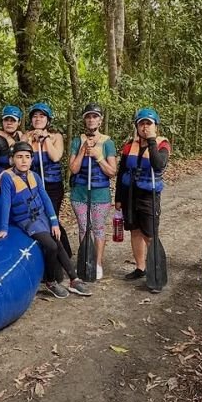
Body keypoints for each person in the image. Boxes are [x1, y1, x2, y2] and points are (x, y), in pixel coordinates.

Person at [0, 141, 92, 298]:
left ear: (32, 159)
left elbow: (45, 199)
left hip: (42, 217)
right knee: (51, 246)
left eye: (27, 157)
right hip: (26, 220)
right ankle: (50, 282)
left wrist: (54, 222)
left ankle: (74, 279)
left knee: (58, 240)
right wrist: (4, 228)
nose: (24, 160)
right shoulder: (7, 179)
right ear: (12, 160)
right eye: (19, 157)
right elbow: (6, 203)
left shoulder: (35, 176)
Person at [115, 107, 171, 287]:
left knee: (150, 234)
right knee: (135, 231)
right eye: (142, 124)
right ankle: (140, 268)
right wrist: (118, 198)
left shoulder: (162, 144)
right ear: (137, 126)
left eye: (149, 123)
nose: (145, 127)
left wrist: (152, 140)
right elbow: (122, 172)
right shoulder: (129, 146)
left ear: (155, 126)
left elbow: (158, 164)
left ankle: (157, 271)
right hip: (129, 193)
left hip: (149, 195)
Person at [68, 104, 118, 280]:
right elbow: (73, 169)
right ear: (84, 119)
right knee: (83, 228)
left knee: (98, 228)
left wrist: (99, 156)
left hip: (100, 194)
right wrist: (83, 150)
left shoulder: (108, 143)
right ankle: (84, 260)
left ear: (100, 120)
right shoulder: (76, 141)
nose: (91, 120)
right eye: (88, 117)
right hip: (79, 194)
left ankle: (97, 263)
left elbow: (112, 171)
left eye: (95, 116)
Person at [25, 100, 71, 257]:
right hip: (34, 186)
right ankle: (54, 253)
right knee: (40, 219)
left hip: (53, 186)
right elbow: (22, 159)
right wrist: (30, 140)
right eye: (35, 116)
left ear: (48, 120)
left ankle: (62, 254)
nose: (38, 119)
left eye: (42, 116)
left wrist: (45, 139)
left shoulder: (56, 136)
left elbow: (56, 156)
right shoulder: (26, 136)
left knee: (52, 219)